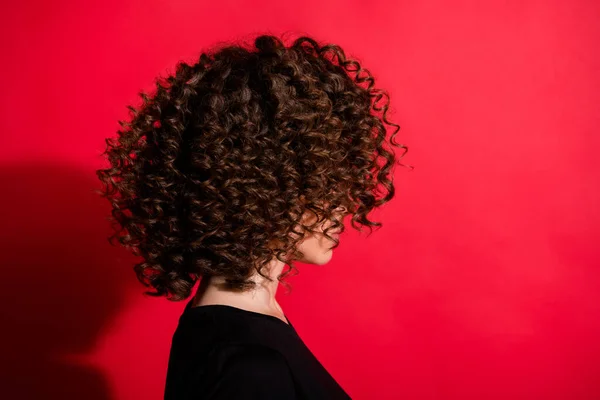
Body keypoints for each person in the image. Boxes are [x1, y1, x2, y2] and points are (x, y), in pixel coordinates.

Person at [96, 33, 411, 399]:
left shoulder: (234, 326)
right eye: (324, 184)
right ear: (264, 187)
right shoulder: (247, 366)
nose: (344, 205)